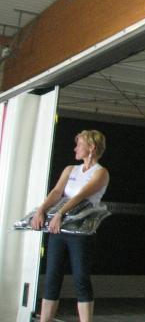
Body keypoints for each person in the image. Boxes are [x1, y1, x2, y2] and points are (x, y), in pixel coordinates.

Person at [31, 130, 110, 322]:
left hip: (81, 232)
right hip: (59, 229)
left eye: (79, 144)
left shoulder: (100, 173)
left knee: (81, 278)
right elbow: (57, 191)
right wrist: (41, 210)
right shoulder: (70, 169)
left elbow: (81, 196)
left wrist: (60, 213)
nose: (75, 148)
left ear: (91, 147)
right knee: (52, 276)